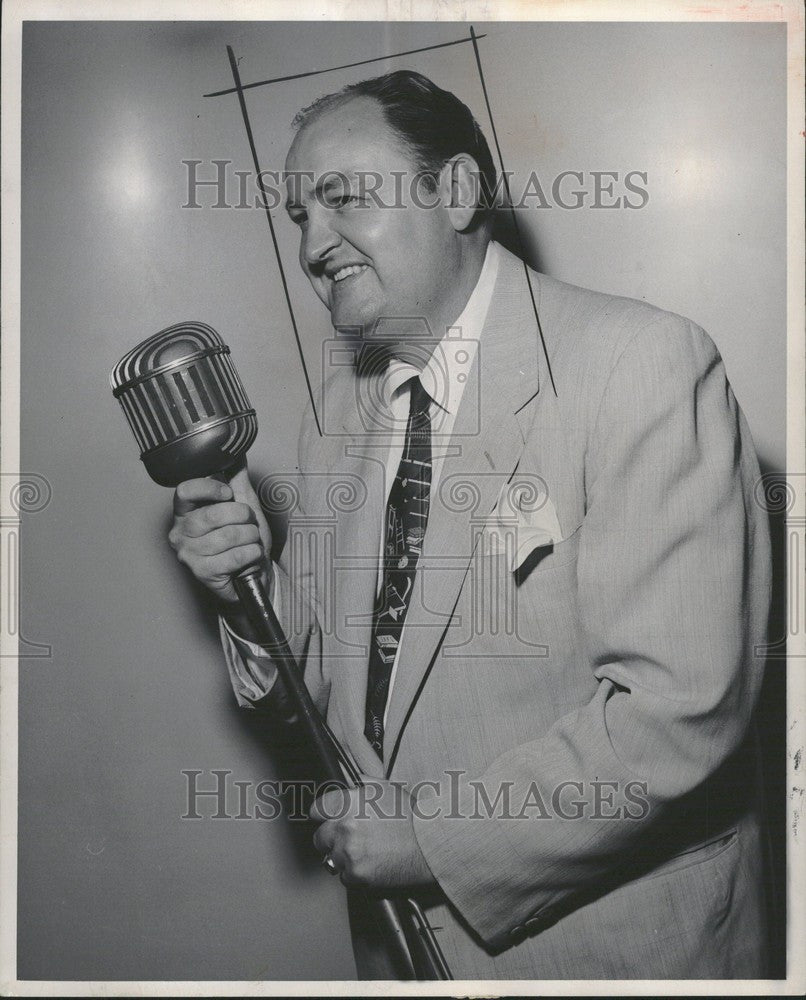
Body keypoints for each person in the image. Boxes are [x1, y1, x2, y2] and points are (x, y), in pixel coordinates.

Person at [168, 70, 771, 978]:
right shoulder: (337, 414)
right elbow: (330, 692)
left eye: (343, 198)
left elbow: (679, 711)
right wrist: (245, 589)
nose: (312, 245)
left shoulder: (640, 364)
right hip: (406, 955)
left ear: (455, 191)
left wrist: (430, 838)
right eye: (299, 215)